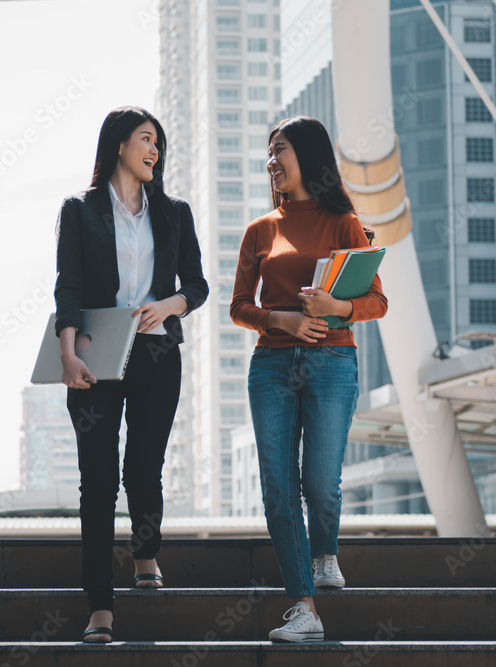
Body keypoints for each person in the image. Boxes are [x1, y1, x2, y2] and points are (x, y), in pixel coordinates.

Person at [229, 116, 387, 642]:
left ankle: (325, 552)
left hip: (332, 363)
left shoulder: (345, 223)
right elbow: (239, 307)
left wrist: (334, 304)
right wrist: (283, 319)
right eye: (269, 152)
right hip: (271, 364)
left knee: (320, 483)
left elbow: (377, 301)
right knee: (278, 488)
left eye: (281, 150)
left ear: (308, 156)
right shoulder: (259, 230)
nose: (272, 161)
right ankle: (305, 609)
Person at [54, 106, 208, 643]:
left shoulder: (174, 213)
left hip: (157, 354)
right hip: (96, 355)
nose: (154, 151)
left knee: (143, 468)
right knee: (97, 481)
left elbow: (198, 284)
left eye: (159, 144)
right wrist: (67, 354)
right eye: (146, 139)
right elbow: (68, 287)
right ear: (119, 144)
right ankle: (100, 606)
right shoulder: (79, 210)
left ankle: (146, 553)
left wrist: (169, 306)